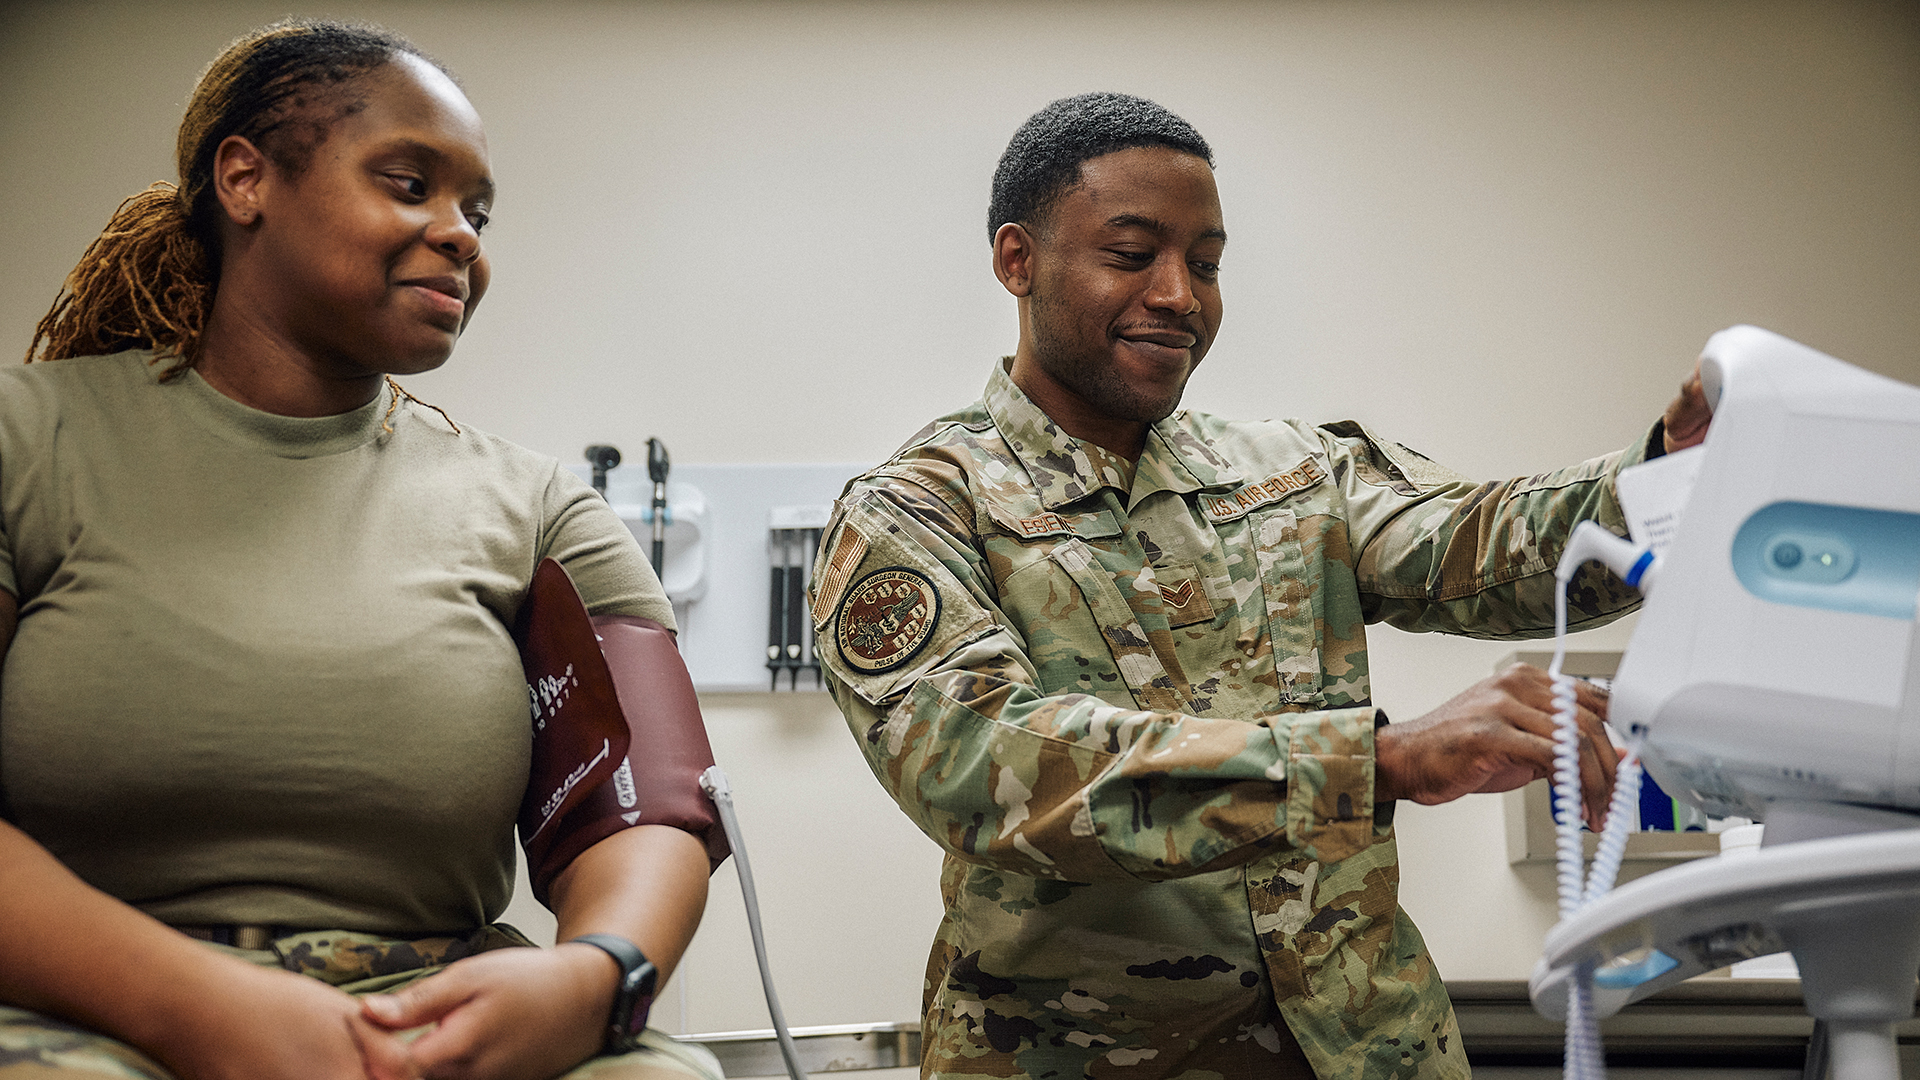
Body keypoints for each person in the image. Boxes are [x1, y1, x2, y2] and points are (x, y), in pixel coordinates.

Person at [810, 92, 1711, 1079]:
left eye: (1205, 264)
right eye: (1131, 254)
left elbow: (1483, 548)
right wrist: (1376, 761)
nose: (1179, 296)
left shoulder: (1291, 470)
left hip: (1369, 1048)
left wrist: (1667, 477)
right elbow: (984, 768)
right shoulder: (917, 510)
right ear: (1017, 260)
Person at [0, 20, 724, 1080]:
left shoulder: (537, 508)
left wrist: (591, 977)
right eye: (409, 183)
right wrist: (199, 1008)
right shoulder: (29, 439)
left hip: (430, 1014)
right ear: (245, 179)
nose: (463, 235)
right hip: (81, 1007)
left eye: (476, 212)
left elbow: (649, 810)